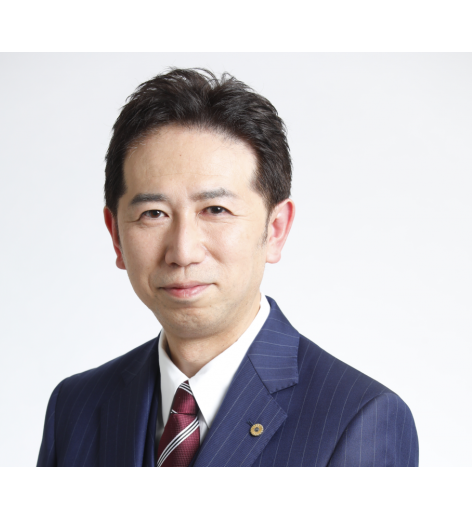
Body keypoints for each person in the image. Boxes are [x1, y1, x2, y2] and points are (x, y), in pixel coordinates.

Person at [37, 68, 419, 467]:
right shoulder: (75, 407)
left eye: (215, 210)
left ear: (275, 229)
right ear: (116, 235)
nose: (183, 252)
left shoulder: (360, 420)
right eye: (154, 213)